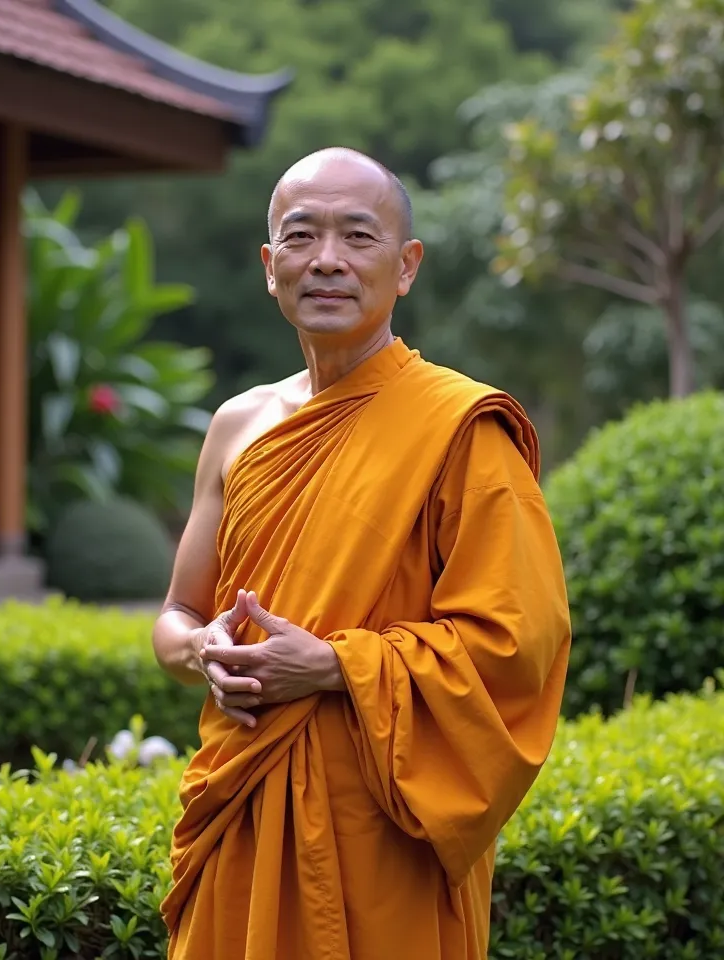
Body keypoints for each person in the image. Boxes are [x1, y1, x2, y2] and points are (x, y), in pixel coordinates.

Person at [153, 147, 571, 960]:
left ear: (406, 266)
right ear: (271, 267)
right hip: (243, 792)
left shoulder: (460, 429)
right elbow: (178, 614)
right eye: (302, 237)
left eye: (359, 236)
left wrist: (336, 667)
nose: (329, 261)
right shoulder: (238, 425)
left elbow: (517, 646)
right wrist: (204, 652)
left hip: (385, 821)